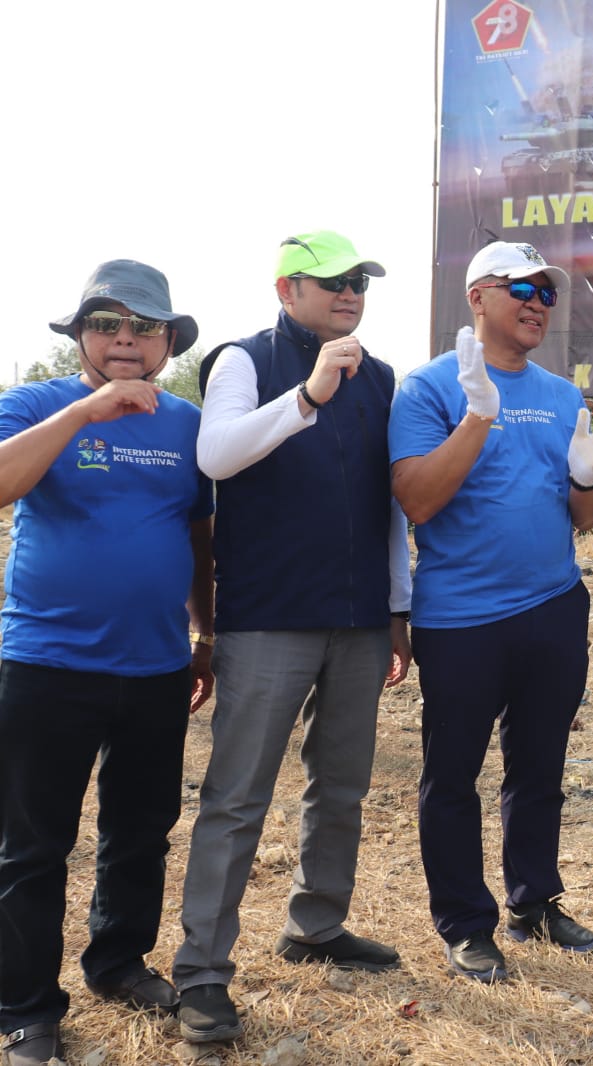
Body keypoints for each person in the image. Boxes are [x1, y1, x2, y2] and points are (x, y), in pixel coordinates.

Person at [175, 232, 411, 1045]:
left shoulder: (379, 376)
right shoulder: (244, 361)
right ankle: (203, 972)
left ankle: (316, 924)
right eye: (333, 280)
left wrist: (398, 609)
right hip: (267, 616)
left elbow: (387, 502)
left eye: (360, 281)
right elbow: (218, 454)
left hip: (355, 618)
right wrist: (308, 395)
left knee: (340, 788)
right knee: (237, 799)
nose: (351, 291)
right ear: (287, 288)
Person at [390, 242, 593, 982]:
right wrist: (478, 418)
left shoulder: (562, 395)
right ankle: (466, 923)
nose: (536, 302)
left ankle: (534, 901)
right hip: (461, 618)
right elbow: (418, 500)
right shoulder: (428, 389)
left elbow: (584, 518)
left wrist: (588, 475)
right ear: (477, 297)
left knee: (540, 768)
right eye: (520, 287)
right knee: (453, 775)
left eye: (546, 293)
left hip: (553, 607)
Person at [0, 262, 213, 1066]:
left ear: (166, 342)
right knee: (32, 845)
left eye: (144, 327)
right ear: (80, 335)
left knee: (140, 833)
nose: (126, 339)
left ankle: (117, 963)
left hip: (156, 668)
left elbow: (199, 539)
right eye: (107, 323)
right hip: (46, 665)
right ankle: (24, 1005)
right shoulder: (37, 405)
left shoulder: (189, 423)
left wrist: (206, 634)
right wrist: (90, 410)